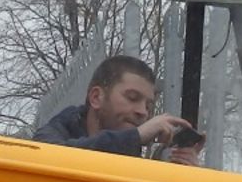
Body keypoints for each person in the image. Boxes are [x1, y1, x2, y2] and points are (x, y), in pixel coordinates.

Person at [33, 55, 202, 165]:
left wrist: (183, 178)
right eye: (132, 98)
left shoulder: (133, 161)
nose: (143, 112)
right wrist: (137, 136)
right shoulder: (52, 136)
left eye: (148, 106)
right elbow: (47, 160)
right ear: (96, 98)